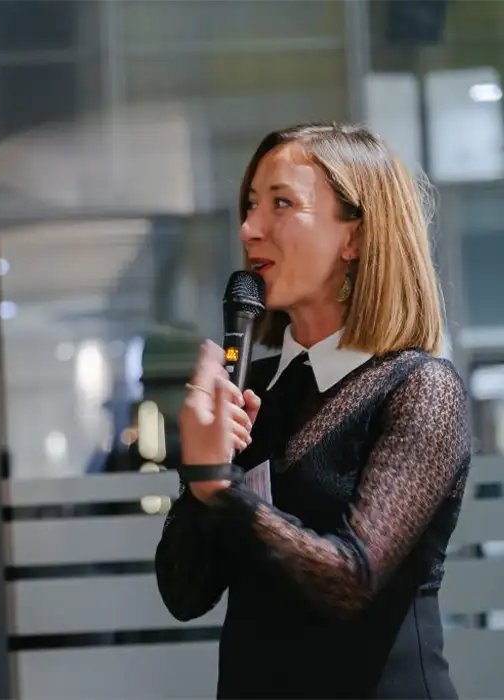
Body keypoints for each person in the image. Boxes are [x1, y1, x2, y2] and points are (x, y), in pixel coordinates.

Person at [156, 123, 470, 699]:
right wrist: (198, 476)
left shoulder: (419, 388)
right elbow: (184, 594)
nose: (250, 229)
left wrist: (218, 487)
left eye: (281, 203)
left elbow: (352, 580)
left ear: (354, 235)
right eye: (251, 206)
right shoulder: (250, 388)